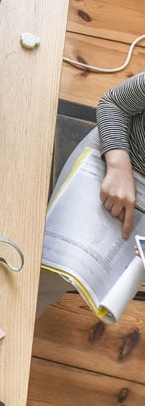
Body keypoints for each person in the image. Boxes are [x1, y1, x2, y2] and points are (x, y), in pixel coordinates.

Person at [37, 72, 145, 315]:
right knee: (52, 262)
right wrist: (118, 165)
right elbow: (115, 104)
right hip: (119, 152)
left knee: (76, 276)